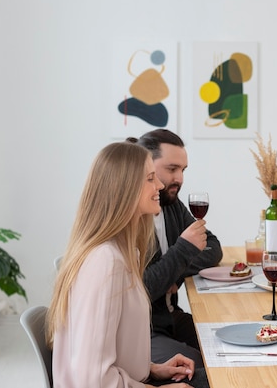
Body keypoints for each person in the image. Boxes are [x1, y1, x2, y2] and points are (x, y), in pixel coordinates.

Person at [47, 141, 197, 387]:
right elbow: (93, 379)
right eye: (150, 178)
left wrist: (153, 369)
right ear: (123, 189)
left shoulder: (120, 254)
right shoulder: (105, 262)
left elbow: (103, 354)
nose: (159, 184)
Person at [130, 129, 222, 385]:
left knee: (227, 347)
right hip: (145, 331)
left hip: (171, 316)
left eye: (183, 170)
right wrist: (181, 252)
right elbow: (141, 289)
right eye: (172, 168)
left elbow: (212, 247)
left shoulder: (171, 204)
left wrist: (175, 270)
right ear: (145, 164)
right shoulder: (130, 221)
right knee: (204, 367)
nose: (178, 178)